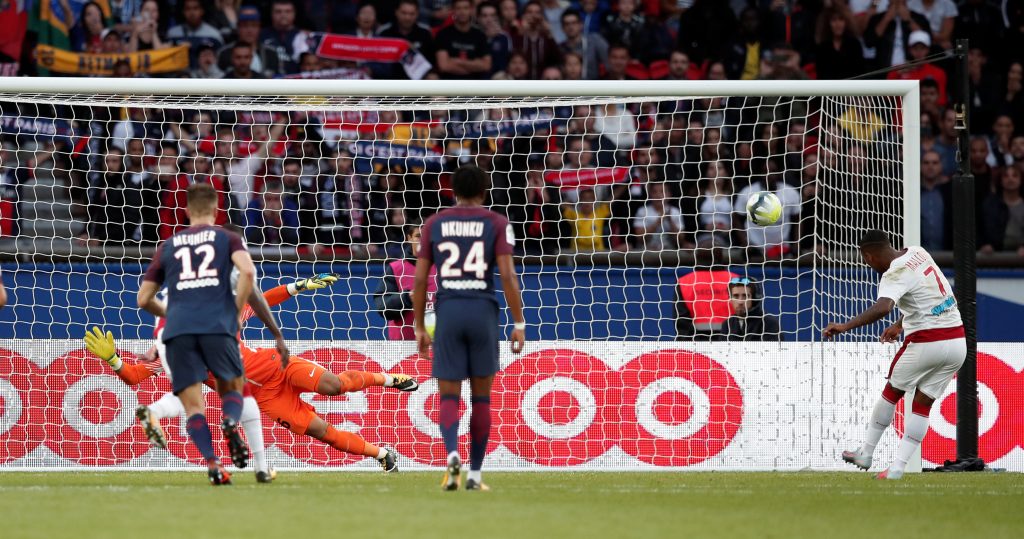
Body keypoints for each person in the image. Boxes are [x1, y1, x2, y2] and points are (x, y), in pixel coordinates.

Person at [137, 183, 290, 485]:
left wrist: (173, 315)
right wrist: (234, 314)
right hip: (216, 325)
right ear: (217, 209)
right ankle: (231, 423)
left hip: (177, 330)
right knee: (235, 389)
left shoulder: (168, 246)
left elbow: (143, 299)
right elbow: (248, 275)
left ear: (185, 211)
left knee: (192, 405)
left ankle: (214, 465)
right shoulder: (228, 238)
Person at [413, 165, 526, 491]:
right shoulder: (496, 223)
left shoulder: (434, 223)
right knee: (481, 399)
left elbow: (421, 279)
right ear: (484, 190)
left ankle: (451, 454)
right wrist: (518, 322)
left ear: (452, 191)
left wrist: (420, 326)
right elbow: (507, 276)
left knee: (448, 395)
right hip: (482, 310)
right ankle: (475, 474)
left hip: (448, 311)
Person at [824, 230, 965, 480]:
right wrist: (900, 324)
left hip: (927, 342)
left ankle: (865, 453)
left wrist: (845, 326)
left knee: (892, 393)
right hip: (957, 343)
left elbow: (883, 307)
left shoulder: (893, 273)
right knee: (922, 405)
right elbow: (927, 293)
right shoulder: (918, 252)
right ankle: (897, 469)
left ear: (869, 257)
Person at [375, 222, 438, 340]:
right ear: (409, 238)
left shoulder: (444, 268)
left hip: (438, 346)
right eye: (418, 236)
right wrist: (406, 298)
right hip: (402, 349)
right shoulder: (396, 268)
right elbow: (382, 307)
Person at [434, 0, 492, 79]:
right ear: (453, 11)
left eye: (466, 8)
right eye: (458, 8)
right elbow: (444, 66)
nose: (462, 12)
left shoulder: (480, 35)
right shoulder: (443, 34)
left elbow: (486, 65)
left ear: (471, 10)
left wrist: (458, 61)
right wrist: (475, 65)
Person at [721, 277, 781, 341]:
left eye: (745, 296)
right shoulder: (727, 324)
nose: (740, 301)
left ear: (754, 298)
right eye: (736, 296)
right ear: (730, 299)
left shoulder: (769, 323)